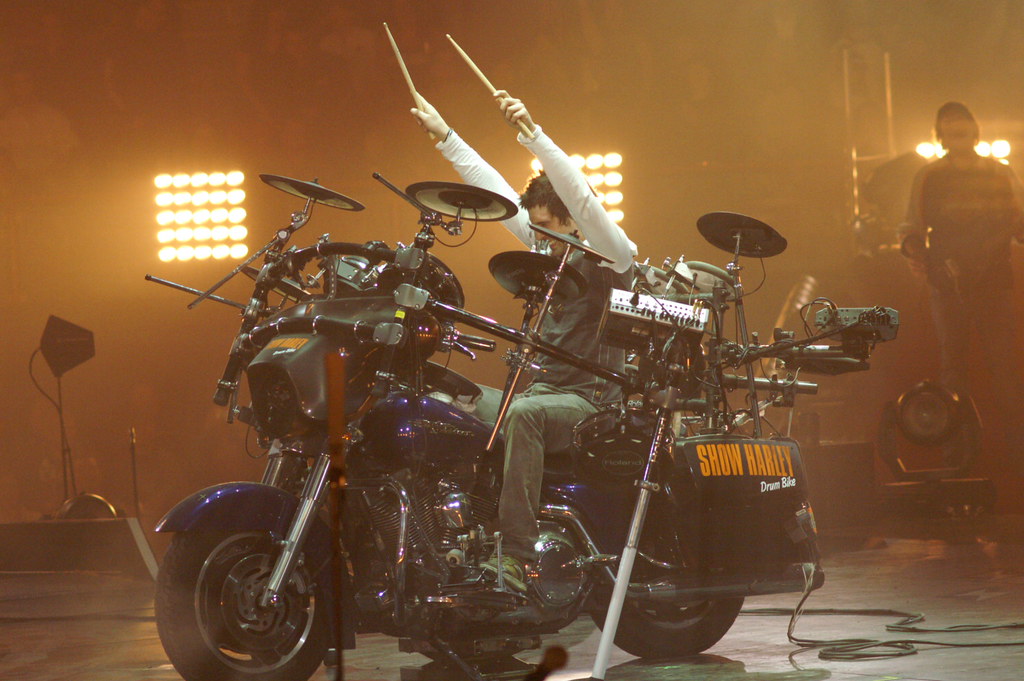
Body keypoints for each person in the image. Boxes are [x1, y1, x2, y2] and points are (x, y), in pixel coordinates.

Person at [411, 92, 636, 590]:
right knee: (442, 400)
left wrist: (532, 133)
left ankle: (515, 559)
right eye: (533, 230)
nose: (537, 240)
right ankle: (449, 542)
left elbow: (581, 196)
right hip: (538, 396)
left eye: (547, 229)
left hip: (589, 403)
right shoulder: (545, 252)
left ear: (575, 222)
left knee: (522, 415)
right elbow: (494, 194)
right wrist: (447, 138)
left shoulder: (611, 257)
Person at [900, 101, 1024, 473]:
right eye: (952, 130)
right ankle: (959, 463)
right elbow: (910, 229)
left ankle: (1016, 464)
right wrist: (916, 252)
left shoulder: (1001, 174)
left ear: (975, 131)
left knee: (1004, 373)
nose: (960, 137)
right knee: (954, 374)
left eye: (964, 129)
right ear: (941, 135)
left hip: (992, 284)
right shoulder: (929, 177)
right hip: (948, 284)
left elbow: (1019, 223)